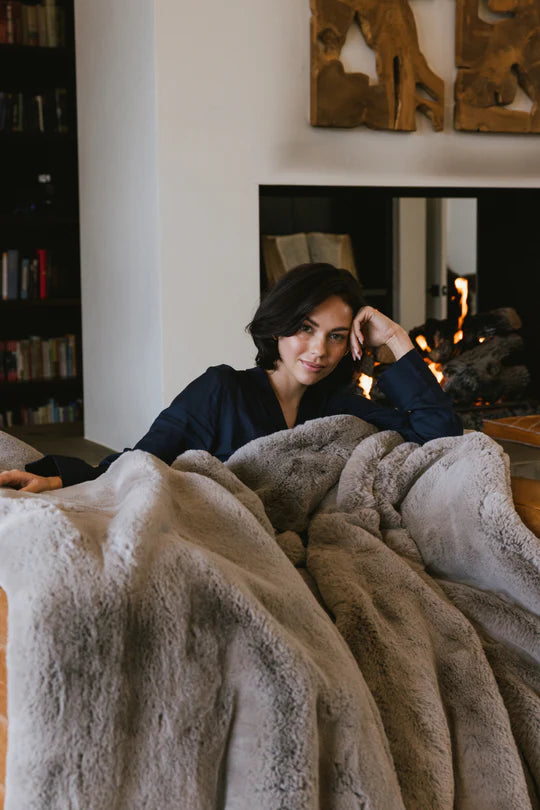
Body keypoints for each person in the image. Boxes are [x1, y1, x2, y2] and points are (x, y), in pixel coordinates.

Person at [0, 263, 462, 493]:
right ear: (278, 325)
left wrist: (398, 340)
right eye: (305, 328)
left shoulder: (338, 405)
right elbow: (143, 460)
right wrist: (62, 480)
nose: (320, 350)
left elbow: (438, 437)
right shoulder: (222, 389)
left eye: (337, 336)